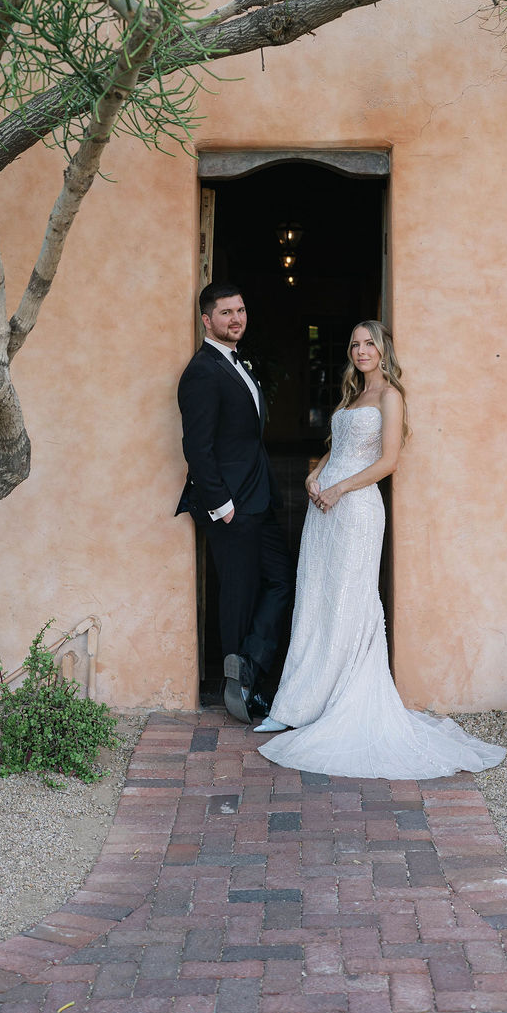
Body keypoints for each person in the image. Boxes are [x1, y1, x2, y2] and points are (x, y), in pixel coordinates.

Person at [255, 320, 505, 779]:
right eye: (354, 343)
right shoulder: (352, 395)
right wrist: (316, 473)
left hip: (356, 512)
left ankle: (332, 702)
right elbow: (342, 445)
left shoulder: (391, 396)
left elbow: (387, 461)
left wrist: (340, 489)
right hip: (324, 508)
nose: (360, 349)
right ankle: (294, 704)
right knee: (315, 600)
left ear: (384, 349)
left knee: (348, 602)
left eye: (369, 342)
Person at [176, 282, 293, 724]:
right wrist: (222, 505)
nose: (235, 319)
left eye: (240, 310)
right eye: (225, 313)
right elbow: (197, 446)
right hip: (231, 506)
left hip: (257, 499)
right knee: (239, 593)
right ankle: (240, 690)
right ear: (207, 320)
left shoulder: (237, 362)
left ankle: (247, 662)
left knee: (281, 578)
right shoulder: (203, 371)